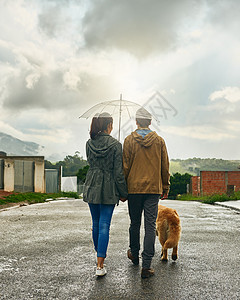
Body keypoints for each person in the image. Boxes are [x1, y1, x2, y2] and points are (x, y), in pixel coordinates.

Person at [122, 108, 170, 279]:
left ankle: (134, 253)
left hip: (133, 189)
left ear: (136, 121)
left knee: (134, 223)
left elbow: (125, 167)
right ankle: (147, 265)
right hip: (152, 189)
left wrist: (122, 190)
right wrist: (165, 186)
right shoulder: (159, 141)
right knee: (150, 226)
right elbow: (165, 166)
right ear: (150, 122)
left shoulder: (128, 140)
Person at [83, 112, 128, 277]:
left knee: (95, 223)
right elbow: (118, 172)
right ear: (109, 125)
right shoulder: (116, 145)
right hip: (108, 187)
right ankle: (100, 264)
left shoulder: (89, 143)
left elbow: (90, 163)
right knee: (104, 225)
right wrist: (124, 193)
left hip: (92, 185)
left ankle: (99, 258)